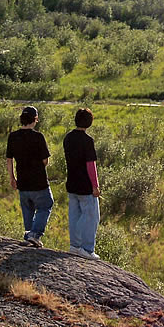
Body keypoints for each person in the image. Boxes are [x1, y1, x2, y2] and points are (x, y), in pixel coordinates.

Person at [6, 106, 53, 248]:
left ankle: (28, 236)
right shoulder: (38, 137)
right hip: (39, 182)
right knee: (46, 205)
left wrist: (12, 178)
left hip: (22, 181)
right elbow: (45, 161)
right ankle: (35, 234)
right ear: (35, 119)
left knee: (28, 209)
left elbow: (9, 159)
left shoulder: (13, 136)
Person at [63, 108, 101, 260]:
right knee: (91, 216)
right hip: (85, 186)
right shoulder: (87, 141)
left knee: (74, 215)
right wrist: (95, 185)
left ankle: (74, 246)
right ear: (89, 122)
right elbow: (90, 165)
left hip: (71, 182)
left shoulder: (68, 138)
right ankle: (87, 249)